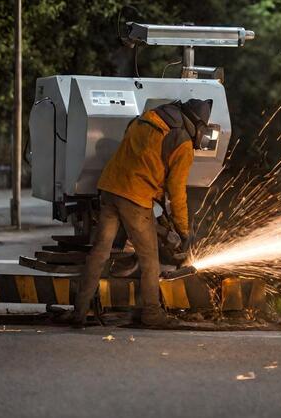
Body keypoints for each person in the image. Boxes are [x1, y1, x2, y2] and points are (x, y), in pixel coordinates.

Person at [70, 99, 213, 328]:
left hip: (109, 188)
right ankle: (152, 313)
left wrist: (162, 210)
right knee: (149, 259)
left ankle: (79, 311)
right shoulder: (183, 143)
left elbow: (144, 162)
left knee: (99, 253)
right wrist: (183, 230)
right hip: (134, 197)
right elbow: (177, 192)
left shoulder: (149, 118)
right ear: (199, 126)